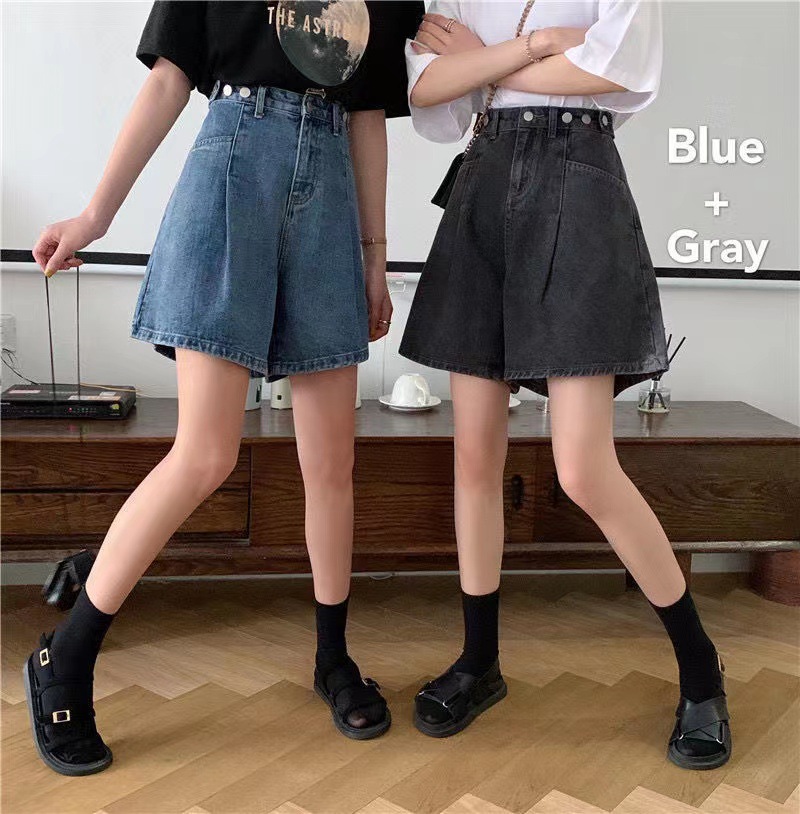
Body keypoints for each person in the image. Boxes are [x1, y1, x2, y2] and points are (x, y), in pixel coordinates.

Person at [25, 0, 423, 776]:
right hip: (232, 171)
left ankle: (333, 657)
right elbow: (168, 80)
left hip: (329, 193)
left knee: (331, 464)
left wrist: (375, 260)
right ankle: (65, 658)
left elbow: (368, 116)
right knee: (205, 455)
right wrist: (95, 216)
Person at [399, 0, 731, 770]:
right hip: (483, 183)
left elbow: (618, 66)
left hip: (579, 182)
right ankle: (479, 661)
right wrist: (543, 46)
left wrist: (485, 61)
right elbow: (424, 88)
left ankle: (700, 668)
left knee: (583, 468)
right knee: (474, 459)